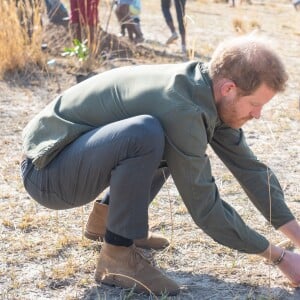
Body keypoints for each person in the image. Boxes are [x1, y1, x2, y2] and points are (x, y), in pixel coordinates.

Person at [21, 34, 300, 296]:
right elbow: (206, 209)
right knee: (146, 133)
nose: (258, 115)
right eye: (254, 104)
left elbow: (250, 170)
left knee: (159, 136)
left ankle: (105, 222)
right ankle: (117, 257)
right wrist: (280, 257)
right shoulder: (183, 109)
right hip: (48, 173)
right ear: (229, 88)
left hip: (70, 157)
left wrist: (297, 238)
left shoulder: (206, 90)